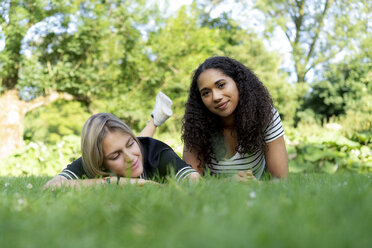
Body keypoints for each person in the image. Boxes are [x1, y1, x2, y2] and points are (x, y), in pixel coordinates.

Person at [45, 92, 200, 188]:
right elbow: (51, 187)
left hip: (147, 146)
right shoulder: (91, 161)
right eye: (115, 156)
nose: (130, 158)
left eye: (130, 143)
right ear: (100, 162)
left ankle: (154, 120)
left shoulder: (157, 152)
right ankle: (154, 119)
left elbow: (195, 181)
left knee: (143, 142)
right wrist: (116, 183)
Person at [182, 56, 288, 180]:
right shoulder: (196, 126)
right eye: (206, 93)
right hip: (216, 194)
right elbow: (191, 184)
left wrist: (257, 186)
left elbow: (280, 180)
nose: (216, 97)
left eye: (221, 85)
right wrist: (227, 184)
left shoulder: (264, 114)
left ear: (238, 82)